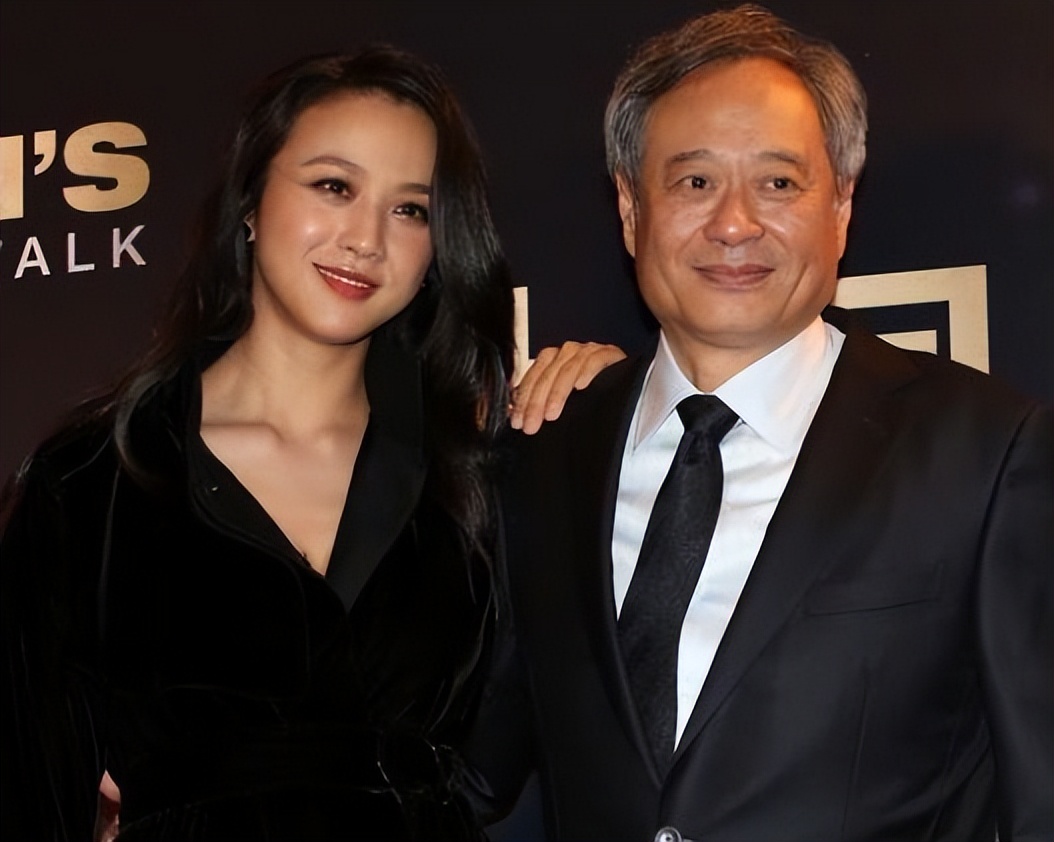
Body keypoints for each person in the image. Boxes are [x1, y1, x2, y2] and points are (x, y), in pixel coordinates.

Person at [463, 5, 1054, 840]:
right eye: (694, 182)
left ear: (841, 206)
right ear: (630, 210)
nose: (734, 223)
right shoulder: (546, 453)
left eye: (778, 183)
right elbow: (475, 770)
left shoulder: (986, 454)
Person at [0, 46, 618, 841]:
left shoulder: (476, 479)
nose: (366, 238)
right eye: (334, 186)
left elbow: (537, 743)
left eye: (410, 209)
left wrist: (624, 409)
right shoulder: (93, 483)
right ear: (251, 202)